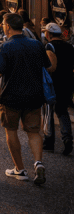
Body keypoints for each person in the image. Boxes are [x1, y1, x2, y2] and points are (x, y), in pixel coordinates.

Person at [0, 12, 49, 184]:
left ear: (8, 27)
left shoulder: (5, 47)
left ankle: (20, 169)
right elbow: (48, 65)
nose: (3, 26)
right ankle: (38, 163)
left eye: (3, 24)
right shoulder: (36, 45)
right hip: (34, 95)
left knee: (11, 131)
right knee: (34, 131)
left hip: (11, 96)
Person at [44, 22, 73, 155]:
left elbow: (51, 67)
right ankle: (67, 139)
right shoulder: (69, 46)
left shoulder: (49, 46)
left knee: (49, 111)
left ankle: (49, 142)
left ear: (49, 34)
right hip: (67, 82)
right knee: (62, 111)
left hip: (54, 83)